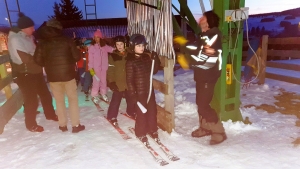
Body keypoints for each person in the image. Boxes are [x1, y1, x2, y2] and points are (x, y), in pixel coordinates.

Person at [8, 13, 57, 132]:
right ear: (24, 28)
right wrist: (39, 59)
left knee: (45, 94)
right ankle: (30, 124)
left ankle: (50, 114)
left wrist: (39, 57)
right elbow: (25, 58)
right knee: (31, 100)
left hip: (36, 72)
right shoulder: (15, 39)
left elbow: (34, 53)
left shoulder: (29, 37)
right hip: (25, 74)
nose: (33, 29)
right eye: (31, 27)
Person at [33, 18, 85, 133]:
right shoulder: (67, 40)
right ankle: (76, 125)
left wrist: (47, 64)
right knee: (72, 100)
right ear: (59, 29)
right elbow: (77, 57)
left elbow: (37, 60)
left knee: (59, 101)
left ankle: (62, 125)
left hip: (53, 77)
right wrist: (69, 60)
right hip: (69, 75)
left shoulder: (42, 43)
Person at [189, 10, 227, 145]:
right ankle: (205, 128)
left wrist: (190, 59)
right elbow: (197, 51)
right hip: (201, 75)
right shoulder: (204, 36)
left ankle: (219, 132)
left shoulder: (213, 36)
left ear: (209, 22)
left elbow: (207, 57)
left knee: (203, 104)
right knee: (200, 103)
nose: (200, 20)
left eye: (203, 19)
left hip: (208, 75)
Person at [126, 34, 160, 144]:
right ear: (133, 46)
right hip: (139, 92)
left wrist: (156, 59)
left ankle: (152, 129)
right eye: (139, 46)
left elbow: (153, 71)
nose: (142, 48)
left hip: (149, 89)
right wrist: (133, 95)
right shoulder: (130, 61)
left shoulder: (146, 57)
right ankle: (140, 132)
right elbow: (129, 80)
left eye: (143, 45)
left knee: (152, 111)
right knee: (141, 113)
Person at [106, 35, 136, 125]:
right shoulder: (113, 56)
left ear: (125, 44)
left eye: (121, 44)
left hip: (129, 82)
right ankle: (112, 116)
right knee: (116, 100)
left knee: (131, 99)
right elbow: (110, 70)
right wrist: (111, 82)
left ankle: (131, 112)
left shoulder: (130, 55)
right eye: (117, 44)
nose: (119, 46)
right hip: (118, 83)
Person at [88, 29, 114, 104]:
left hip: (104, 68)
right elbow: (90, 60)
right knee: (96, 82)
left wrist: (120, 49)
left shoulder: (104, 46)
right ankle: (94, 95)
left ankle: (103, 93)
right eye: (95, 37)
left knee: (103, 81)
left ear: (101, 38)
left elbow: (112, 50)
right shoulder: (92, 47)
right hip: (95, 69)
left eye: (98, 37)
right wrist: (91, 70)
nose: (96, 39)